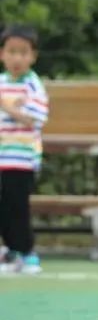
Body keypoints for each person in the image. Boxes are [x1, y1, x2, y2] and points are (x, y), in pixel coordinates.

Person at [0, 26, 49, 275]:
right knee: (3, 207)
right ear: (2, 54)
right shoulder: (2, 83)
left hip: (21, 159)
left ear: (33, 56)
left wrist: (9, 108)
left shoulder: (33, 86)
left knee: (17, 207)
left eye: (23, 52)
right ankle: (11, 251)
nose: (17, 58)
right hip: (2, 157)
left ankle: (27, 253)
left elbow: (34, 119)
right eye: (11, 52)